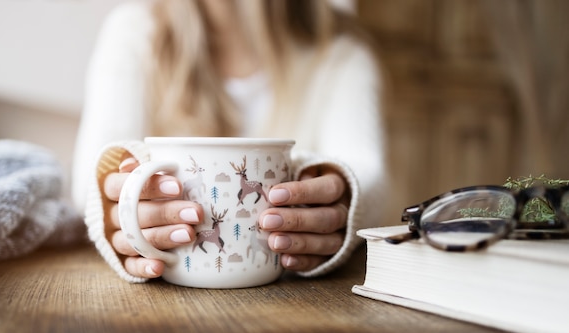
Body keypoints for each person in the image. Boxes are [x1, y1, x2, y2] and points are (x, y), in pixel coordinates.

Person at [72, 0, 387, 283]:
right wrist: (115, 204)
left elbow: (368, 171)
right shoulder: (136, 32)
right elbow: (91, 179)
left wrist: (342, 193)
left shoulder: (339, 50)